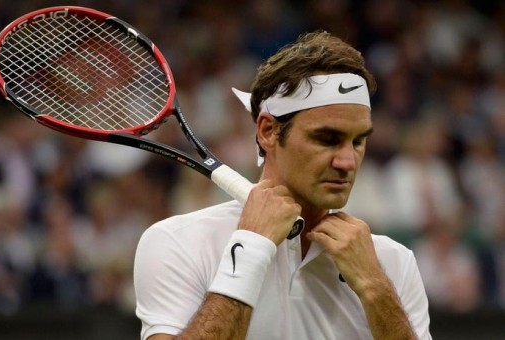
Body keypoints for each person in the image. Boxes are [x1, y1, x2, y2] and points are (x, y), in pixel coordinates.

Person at [133, 31, 431, 340]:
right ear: (268, 131)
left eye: (358, 141)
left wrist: (375, 289)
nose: (347, 161)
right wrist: (250, 249)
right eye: (326, 139)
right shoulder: (177, 242)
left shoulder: (391, 263)